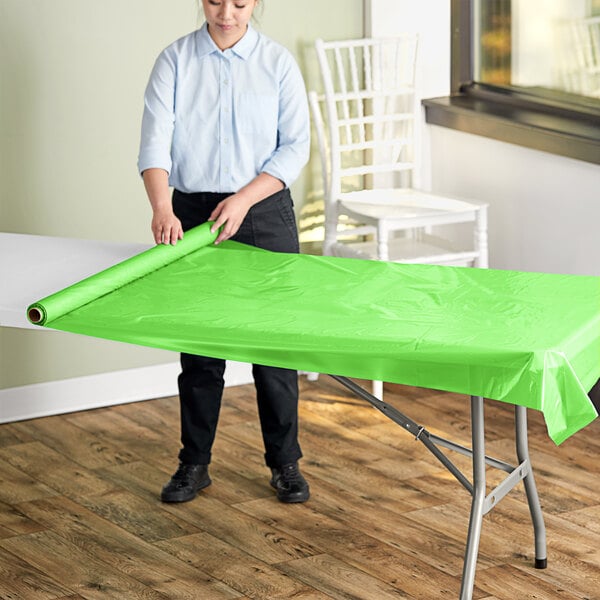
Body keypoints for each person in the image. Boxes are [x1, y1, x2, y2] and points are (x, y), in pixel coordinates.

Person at [138, 0, 310, 504]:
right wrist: (161, 208)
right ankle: (193, 464)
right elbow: (155, 143)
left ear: (256, 3)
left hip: (262, 209)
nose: (227, 13)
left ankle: (285, 463)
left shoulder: (277, 63)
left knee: (274, 347)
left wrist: (243, 198)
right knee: (200, 348)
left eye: (240, 2)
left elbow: (295, 145)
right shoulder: (174, 60)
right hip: (189, 213)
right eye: (216, 0)